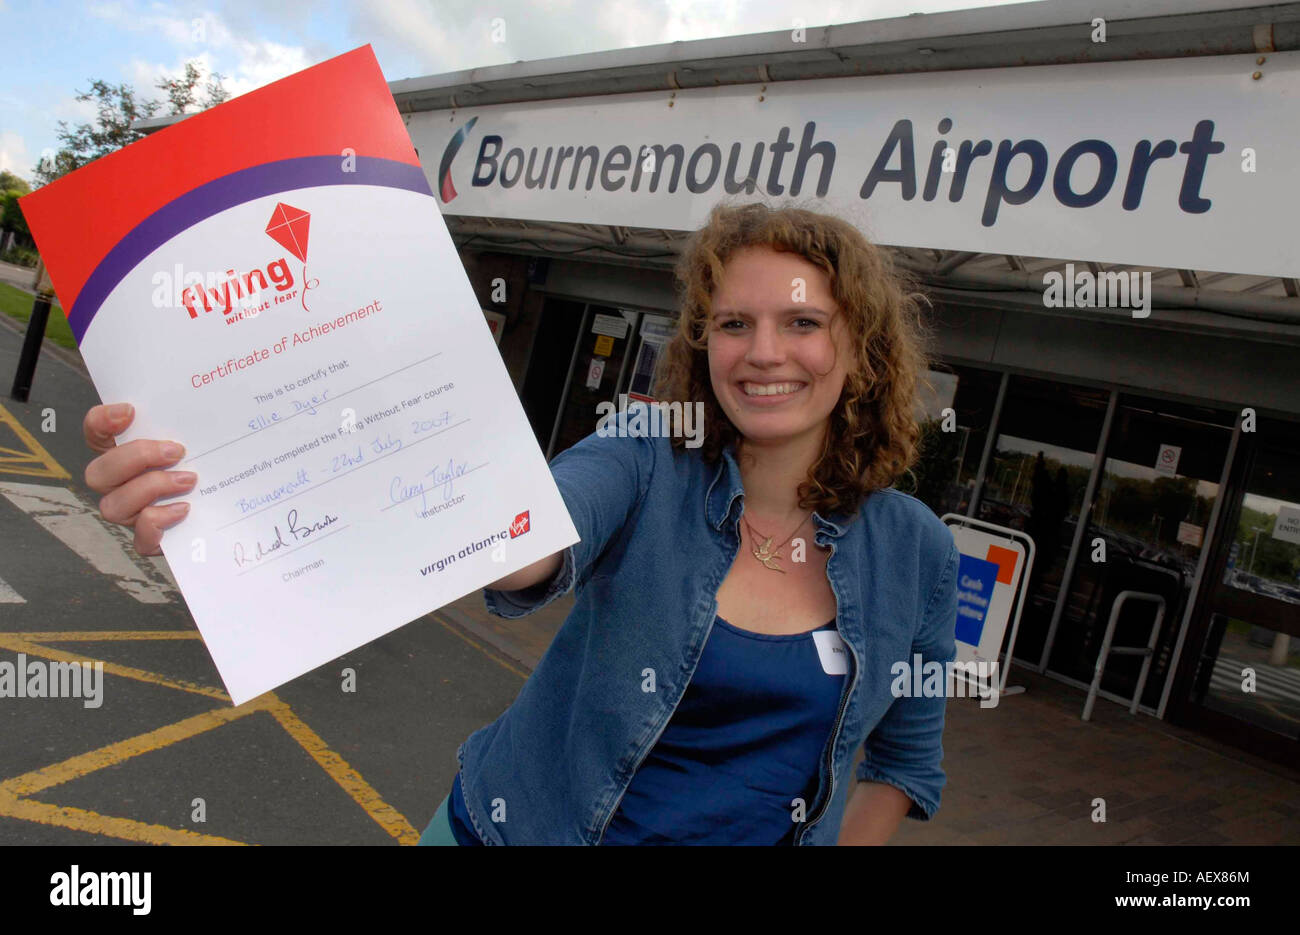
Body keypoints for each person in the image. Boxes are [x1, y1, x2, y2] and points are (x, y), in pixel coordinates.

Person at [82, 201, 958, 846]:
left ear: (860, 349)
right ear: (704, 340)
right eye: (735, 322)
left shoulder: (918, 548)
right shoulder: (648, 449)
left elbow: (904, 760)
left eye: (802, 322)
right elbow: (519, 535)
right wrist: (227, 478)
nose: (764, 351)